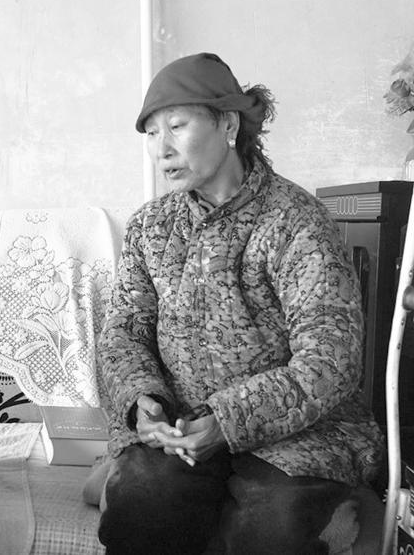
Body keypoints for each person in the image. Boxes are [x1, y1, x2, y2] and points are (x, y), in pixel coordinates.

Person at [92, 53, 384, 554]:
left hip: (295, 435)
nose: (162, 149)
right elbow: (123, 332)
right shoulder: (150, 227)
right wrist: (143, 402)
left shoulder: (296, 221)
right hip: (181, 427)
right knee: (140, 505)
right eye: (151, 133)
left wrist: (228, 422)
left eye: (177, 127)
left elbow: (330, 359)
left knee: (270, 529)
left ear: (228, 125)